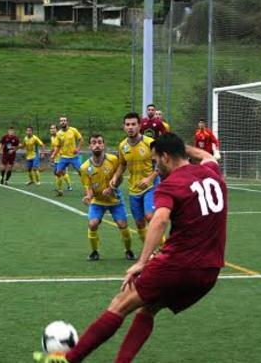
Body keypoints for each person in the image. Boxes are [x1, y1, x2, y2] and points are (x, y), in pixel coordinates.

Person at [34, 133, 227, 363]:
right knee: (148, 309)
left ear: (165, 157)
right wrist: (177, 145)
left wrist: (142, 262)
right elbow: (205, 155)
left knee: (119, 304)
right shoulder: (211, 172)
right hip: (209, 273)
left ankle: (69, 359)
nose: (155, 166)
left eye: (156, 160)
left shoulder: (170, 184)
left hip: (177, 266)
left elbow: (159, 220)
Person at [80, 134, 134, 261]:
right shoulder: (84, 168)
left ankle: (128, 250)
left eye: (99, 142)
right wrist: (88, 197)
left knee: (122, 224)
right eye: (94, 142)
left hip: (114, 199)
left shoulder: (113, 160)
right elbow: (88, 189)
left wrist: (112, 188)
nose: (97, 145)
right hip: (97, 201)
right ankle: (94, 252)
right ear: (90, 146)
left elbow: (120, 178)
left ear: (103, 145)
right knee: (92, 224)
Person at [112, 112, 158, 245]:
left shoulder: (150, 143)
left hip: (151, 186)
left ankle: (162, 250)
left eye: (133, 124)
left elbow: (160, 165)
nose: (130, 127)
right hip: (134, 188)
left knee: (150, 216)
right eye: (127, 124)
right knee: (139, 223)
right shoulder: (122, 146)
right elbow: (122, 164)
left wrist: (150, 178)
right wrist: (115, 177)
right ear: (124, 127)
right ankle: (150, 251)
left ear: (139, 126)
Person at [54, 116, 84, 196]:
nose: (63, 122)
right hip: (64, 157)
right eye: (61, 121)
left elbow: (81, 139)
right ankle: (60, 190)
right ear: (60, 123)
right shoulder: (58, 133)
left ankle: (87, 189)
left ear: (67, 122)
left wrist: (77, 149)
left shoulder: (73, 130)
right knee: (58, 173)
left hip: (74, 157)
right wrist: (54, 154)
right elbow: (58, 146)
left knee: (82, 172)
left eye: (64, 120)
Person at [50, 124, 73, 191]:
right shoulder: (52, 138)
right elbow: (54, 147)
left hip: (62, 157)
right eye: (51, 128)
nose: (52, 130)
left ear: (57, 130)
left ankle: (69, 186)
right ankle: (59, 187)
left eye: (53, 128)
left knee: (62, 172)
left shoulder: (60, 136)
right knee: (57, 173)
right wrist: (51, 153)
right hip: (56, 158)